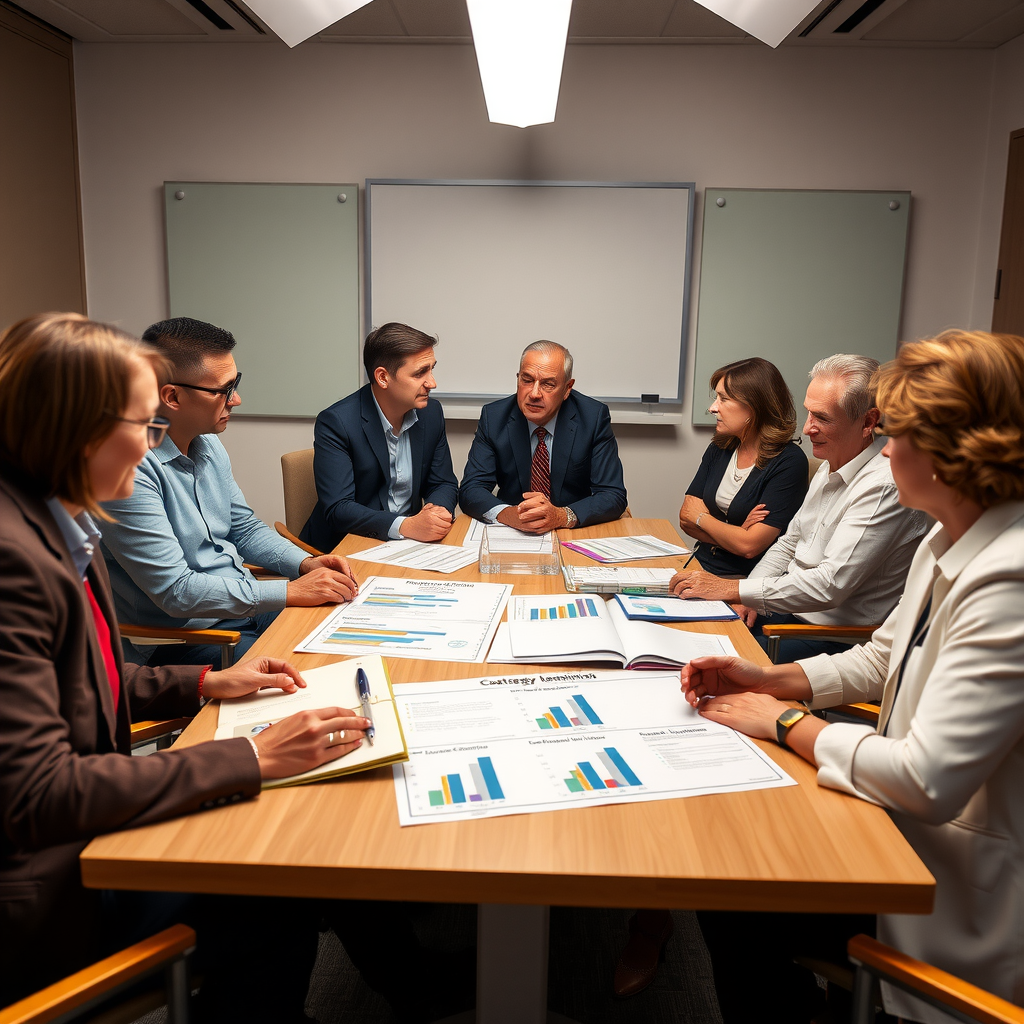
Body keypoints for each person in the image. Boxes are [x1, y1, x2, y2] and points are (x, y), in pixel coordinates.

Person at [0, 312, 372, 1020]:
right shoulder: (13, 557)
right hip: (48, 894)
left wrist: (202, 681)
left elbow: (88, 684)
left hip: (85, 828)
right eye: (143, 426)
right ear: (76, 430)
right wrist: (247, 758)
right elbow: (37, 794)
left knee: (290, 836)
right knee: (280, 877)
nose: (151, 450)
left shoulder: (51, 521)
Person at [682, 329, 1024, 1023]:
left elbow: (927, 779)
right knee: (737, 869)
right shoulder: (950, 530)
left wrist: (784, 723)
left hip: (947, 889)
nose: (887, 448)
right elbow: (879, 656)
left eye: (900, 432)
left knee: (736, 898)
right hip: (906, 829)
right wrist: (764, 678)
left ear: (961, 447)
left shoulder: (1010, 578)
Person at [100, 317, 358, 667]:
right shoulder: (126, 469)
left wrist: (305, 564)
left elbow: (244, 529)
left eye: (235, 384)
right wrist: (289, 591)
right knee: (309, 671)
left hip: (240, 606)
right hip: (181, 637)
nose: (236, 399)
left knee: (346, 637)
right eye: (223, 390)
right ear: (172, 396)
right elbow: (176, 592)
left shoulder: (206, 444)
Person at [671, 354, 929, 662]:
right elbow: (788, 545)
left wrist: (737, 591)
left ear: (868, 422)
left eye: (823, 418)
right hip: (786, 614)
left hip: (829, 638)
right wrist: (748, 596)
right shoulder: (829, 465)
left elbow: (828, 586)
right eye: (809, 413)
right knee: (685, 633)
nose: (807, 429)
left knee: (700, 659)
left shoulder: (882, 485)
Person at [301, 322, 459, 551]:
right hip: (345, 547)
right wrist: (406, 525)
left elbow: (442, 482)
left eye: (431, 369)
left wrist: (438, 512)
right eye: (420, 373)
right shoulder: (337, 422)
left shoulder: (431, 413)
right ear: (383, 377)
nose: (432, 383)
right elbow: (339, 508)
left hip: (411, 545)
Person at [459, 340, 627, 532]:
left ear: (567, 389)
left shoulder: (593, 418)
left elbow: (612, 494)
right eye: (527, 380)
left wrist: (561, 516)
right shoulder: (494, 417)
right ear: (518, 378)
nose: (534, 393)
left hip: (571, 531)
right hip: (513, 530)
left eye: (548, 384)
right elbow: (471, 489)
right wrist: (508, 514)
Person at [679, 357, 808, 578]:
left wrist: (703, 519)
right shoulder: (720, 447)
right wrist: (735, 534)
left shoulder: (789, 462)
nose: (712, 408)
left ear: (754, 407)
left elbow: (749, 547)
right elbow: (685, 518)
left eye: (724, 399)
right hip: (700, 565)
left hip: (746, 582)